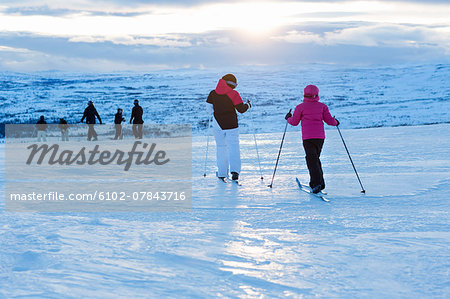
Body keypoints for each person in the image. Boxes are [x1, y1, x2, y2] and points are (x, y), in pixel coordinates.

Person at [285, 84, 339, 193]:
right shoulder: (322, 106)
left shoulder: (300, 107)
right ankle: (318, 183)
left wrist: (288, 118)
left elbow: (294, 122)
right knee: (315, 159)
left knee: (311, 160)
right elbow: (329, 121)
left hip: (307, 138)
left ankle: (316, 183)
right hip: (320, 138)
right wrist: (336, 122)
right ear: (316, 94)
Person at [206, 74, 251, 181]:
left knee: (221, 147)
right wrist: (248, 105)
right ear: (232, 84)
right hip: (231, 124)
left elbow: (208, 108)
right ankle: (235, 172)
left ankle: (222, 173)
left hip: (217, 125)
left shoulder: (213, 93)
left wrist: (216, 113)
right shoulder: (233, 93)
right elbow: (241, 109)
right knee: (233, 147)